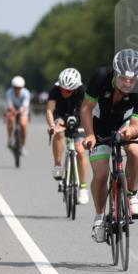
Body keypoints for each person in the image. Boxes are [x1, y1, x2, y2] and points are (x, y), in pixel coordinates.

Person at [81, 48, 138, 242]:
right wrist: (89, 135)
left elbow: (136, 125)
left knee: (135, 150)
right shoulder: (100, 78)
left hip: (124, 124)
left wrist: (129, 133)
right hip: (98, 125)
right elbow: (86, 108)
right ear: (115, 73)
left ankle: (132, 195)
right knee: (101, 174)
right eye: (123, 78)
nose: (128, 83)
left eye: (133, 79)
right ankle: (99, 218)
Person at [46, 67, 90, 205]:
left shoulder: (83, 90)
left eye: (68, 91)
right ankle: (58, 165)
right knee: (58, 133)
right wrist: (52, 125)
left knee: (80, 150)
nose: (64, 92)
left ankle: (83, 188)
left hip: (79, 118)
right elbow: (49, 110)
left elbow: (88, 109)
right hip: (61, 116)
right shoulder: (55, 89)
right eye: (62, 89)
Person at [5, 76, 31, 153]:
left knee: (23, 124)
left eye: (19, 88)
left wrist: (19, 111)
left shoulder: (26, 93)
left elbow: (25, 106)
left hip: (23, 109)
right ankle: (10, 138)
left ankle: (23, 145)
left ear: (22, 87)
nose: (17, 90)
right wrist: (13, 111)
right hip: (12, 109)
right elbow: (9, 104)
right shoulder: (9, 92)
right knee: (10, 119)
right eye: (15, 88)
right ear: (13, 87)